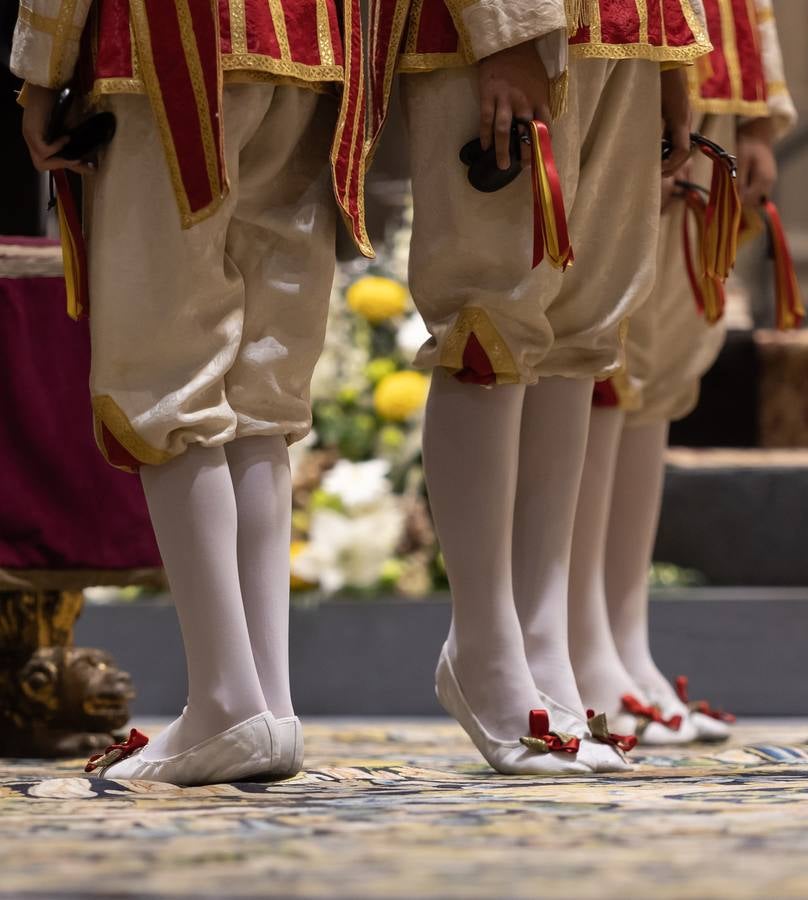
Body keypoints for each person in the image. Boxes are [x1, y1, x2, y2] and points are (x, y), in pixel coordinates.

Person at [13, 0, 371, 785]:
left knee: (165, 371)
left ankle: (224, 697)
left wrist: (41, 68)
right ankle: (266, 704)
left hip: (172, 41)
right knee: (261, 392)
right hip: (315, 48)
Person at [367, 0, 711, 775]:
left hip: (630, 26)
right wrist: (508, 33)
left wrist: (673, 53)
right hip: (517, 25)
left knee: (585, 325)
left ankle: (542, 639)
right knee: (491, 304)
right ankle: (483, 641)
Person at [567, 0, 797, 744]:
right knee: (606, 355)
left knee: (664, 363)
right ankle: (577, 636)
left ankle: (623, 639)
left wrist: (758, 115)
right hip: (635, 58)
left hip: (715, 83)